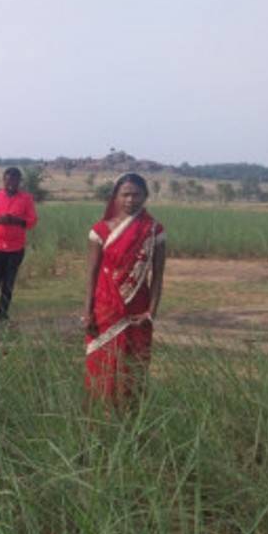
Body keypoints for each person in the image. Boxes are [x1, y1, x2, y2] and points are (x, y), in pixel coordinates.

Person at [83, 172, 166, 407]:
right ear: (115, 197)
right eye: (125, 194)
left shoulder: (154, 231)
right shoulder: (99, 230)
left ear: (146, 196)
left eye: (136, 195)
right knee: (101, 362)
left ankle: (130, 412)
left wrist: (152, 311)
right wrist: (87, 310)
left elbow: (158, 275)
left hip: (137, 308)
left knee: (133, 361)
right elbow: (92, 273)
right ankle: (99, 411)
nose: (131, 200)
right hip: (104, 307)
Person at [0, 167, 38, 320]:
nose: (11, 183)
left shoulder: (26, 199)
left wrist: (16, 221)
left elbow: (32, 221)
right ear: (3, 181)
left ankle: (2, 315)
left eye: (14, 180)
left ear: (19, 181)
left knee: (8, 284)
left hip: (16, 248)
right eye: (8, 180)